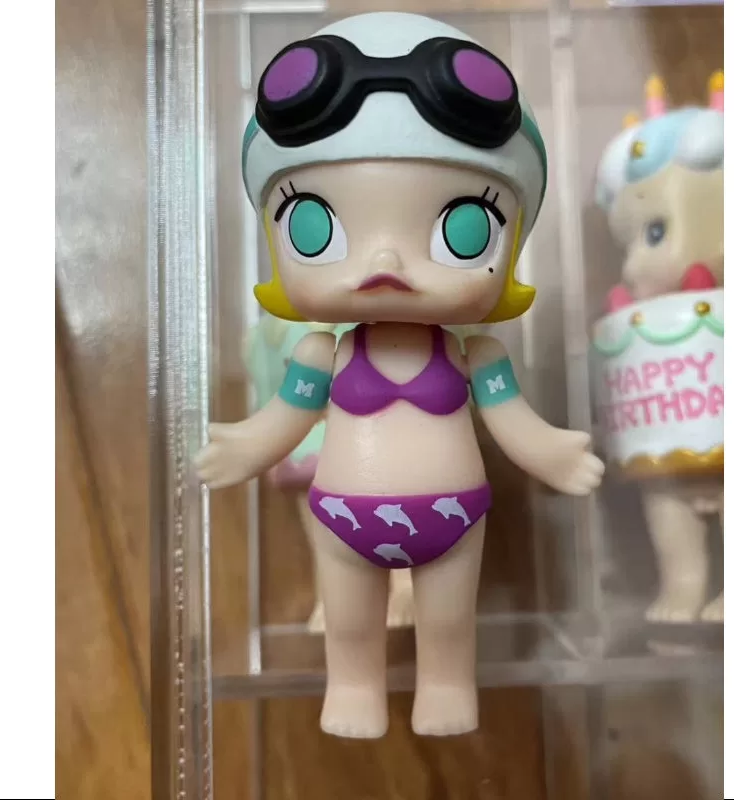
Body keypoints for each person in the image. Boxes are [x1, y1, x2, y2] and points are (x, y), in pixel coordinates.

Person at [195, 11, 603, 739]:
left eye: (463, 229)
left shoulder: (479, 356)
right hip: (342, 518)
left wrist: (551, 452)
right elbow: (286, 417)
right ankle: (352, 690)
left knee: (449, 623)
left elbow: (512, 419)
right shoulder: (318, 353)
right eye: (315, 226)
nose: (384, 263)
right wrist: (246, 446)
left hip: (454, 516)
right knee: (350, 621)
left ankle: (447, 689)